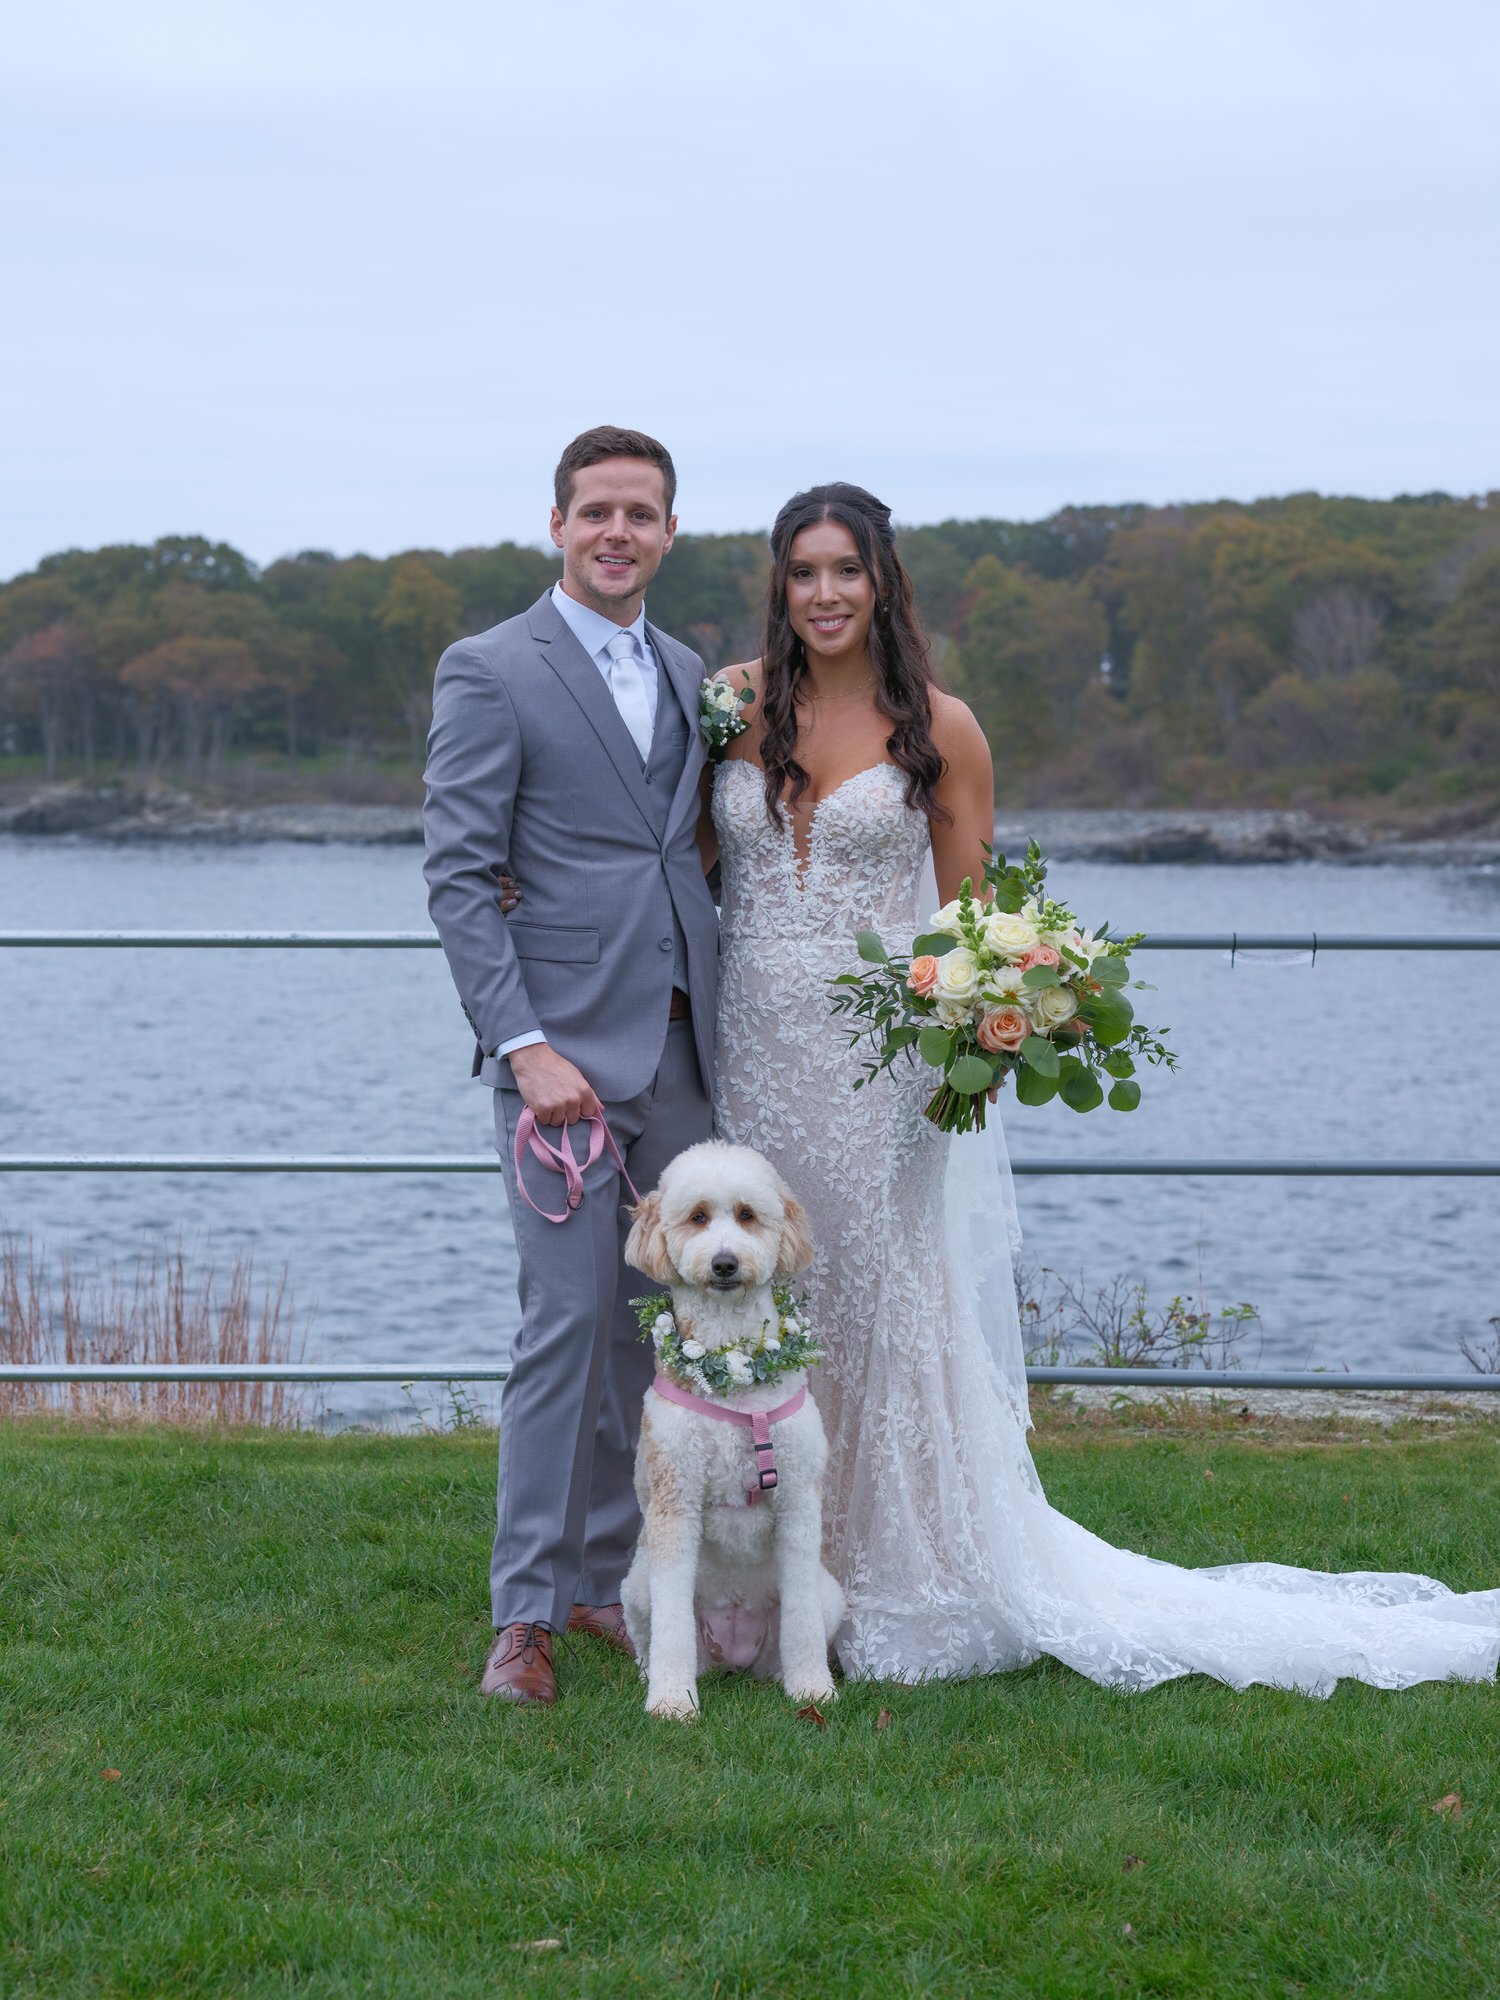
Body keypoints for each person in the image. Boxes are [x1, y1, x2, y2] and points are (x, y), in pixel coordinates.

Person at [704, 480, 1500, 1691]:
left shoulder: (945, 727)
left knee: (875, 1306)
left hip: (878, 1074)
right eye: (804, 571)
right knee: (769, 1316)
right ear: (780, 581)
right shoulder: (731, 706)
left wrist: (985, 1033)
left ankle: (897, 1586)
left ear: (883, 583)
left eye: (846, 571)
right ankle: (758, 1595)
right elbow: (674, 860)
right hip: (751, 1051)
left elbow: (974, 927)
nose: (824, 594)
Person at [423, 425, 717, 1706]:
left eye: (640, 513)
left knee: (655, 1340)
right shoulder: (490, 667)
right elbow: (455, 873)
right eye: (595, 510)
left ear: (667, 531)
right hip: (560, 1066)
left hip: (683, 1048)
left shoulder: (695, 667)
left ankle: (611, 1582)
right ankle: (525, 1614)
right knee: (564, 1326)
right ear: (557, 524)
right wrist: (522, 1043)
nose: (617, 531)